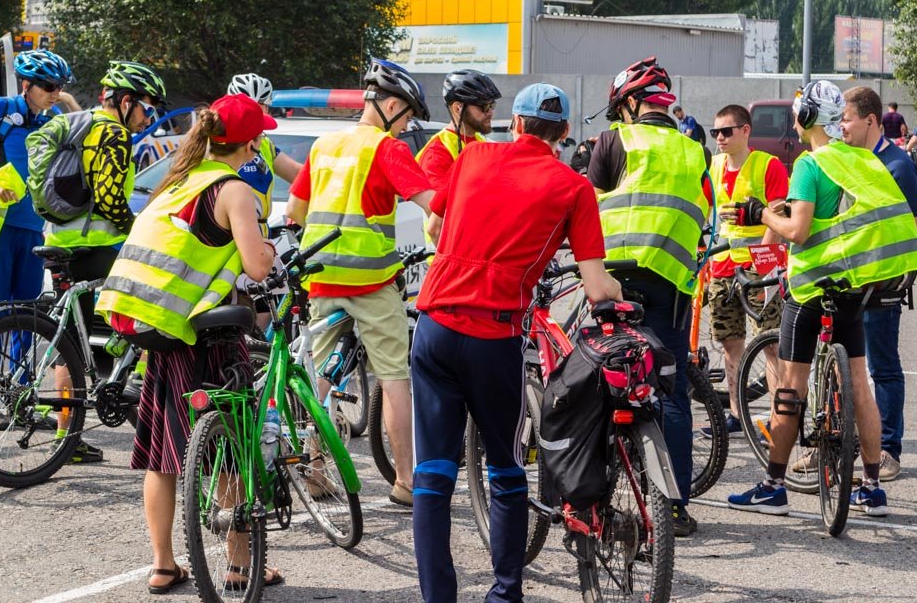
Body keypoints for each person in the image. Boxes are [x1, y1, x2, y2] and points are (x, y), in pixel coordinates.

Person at [412, 83, 623, 603]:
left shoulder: (474, 156)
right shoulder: (572, 187)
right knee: (505, 468)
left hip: (434, 326)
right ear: (565, 133)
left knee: (432, 473)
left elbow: (435, 227)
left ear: (517, 124)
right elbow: (596, 286)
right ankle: (504, 594)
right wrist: (618, 290)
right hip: (494, 337)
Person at [95, 94, 283, 594]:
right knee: (231, 452)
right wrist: (264, 244)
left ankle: (163, 564)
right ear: (251, 143)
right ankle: (242, 567)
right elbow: (257, 267)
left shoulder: (177, 180)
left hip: (159, 331)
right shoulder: (233, 190)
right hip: (209, 337)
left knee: (161, 455)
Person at [727, 81, 917, 518]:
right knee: (859, 381)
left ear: (809, 118)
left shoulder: (810, 165)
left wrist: (760, 213)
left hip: (811, 286)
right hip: (852, 286)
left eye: (799, 112)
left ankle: (773, 485)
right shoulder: (860, 160)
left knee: (791, 386)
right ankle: (872, 487)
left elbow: (798, 230)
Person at [285, 58, 435, 507]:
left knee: (321, 380)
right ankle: (406, 481)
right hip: (372, 282)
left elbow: (294, 212)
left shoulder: (324, 144)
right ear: (390, 105)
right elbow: (433, 207)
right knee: (393, 377)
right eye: (406, 115)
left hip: (323, 279)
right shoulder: (388, 150)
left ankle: (312, 466)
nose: (407, 125)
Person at [589, 57, 712, 537]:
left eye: (620, 107)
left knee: (600, 384)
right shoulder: (694, 150)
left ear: (632, 104)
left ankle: (598, 501)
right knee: (672, 391)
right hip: (671, 284)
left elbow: (584, 205)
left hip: (614, 281)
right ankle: (675, 508)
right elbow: (706, 216)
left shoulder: (612, 141)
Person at [42, 59, 169, 464]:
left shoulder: (83, 122)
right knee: (150, 317)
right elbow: (112, 199)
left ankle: (68, 437)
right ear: (126, 101)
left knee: (72, 347)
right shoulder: (111, 133)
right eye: (147, 108)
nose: (148, 117)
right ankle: (143, 415)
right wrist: (140, 229)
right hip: (95, 246)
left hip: (61, 239)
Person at [0, 50, 70, 427]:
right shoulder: (1, 108)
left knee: (27, 316)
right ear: (28, 85)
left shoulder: (55, 119)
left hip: (34, 228)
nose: (55, 93)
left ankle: (21, 399)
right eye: (49, 86)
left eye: (60, 87)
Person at [841, 86, 917, 481]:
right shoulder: (850, 161)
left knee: (883, 367)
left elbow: (907, 230)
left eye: (847, 118)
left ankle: (889, 449)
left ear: (870, 120)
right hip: (849, 284)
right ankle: (840, 444)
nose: (842, 126)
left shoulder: (898, 165)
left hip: (882, 286)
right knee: (846, 368)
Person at [704, 104, 788, 438]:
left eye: (726, 131)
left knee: (769, 343)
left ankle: (777, 418)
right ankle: (737, 415)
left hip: (759, 268)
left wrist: (761, 262)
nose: (720, 138)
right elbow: (709, 216)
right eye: (715, 133)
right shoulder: (713, 167)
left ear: (745, 131)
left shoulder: (768, 166)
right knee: (730, 343)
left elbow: (779, 220)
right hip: (723, 266)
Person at [225, 73, 303, 217]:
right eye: (246, 107)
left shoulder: (264, 143)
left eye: (259, 107)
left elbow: (297, 173)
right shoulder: (216, 144)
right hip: (229, 231)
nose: (252, 114)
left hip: (261, 230)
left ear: (266, 109)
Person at [415, 69, 502, 193]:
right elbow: (438, 209)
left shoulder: (481, 141)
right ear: (458, 108)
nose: (491, 112)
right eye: (484, 107)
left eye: (492, 105)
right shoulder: (436, 153)